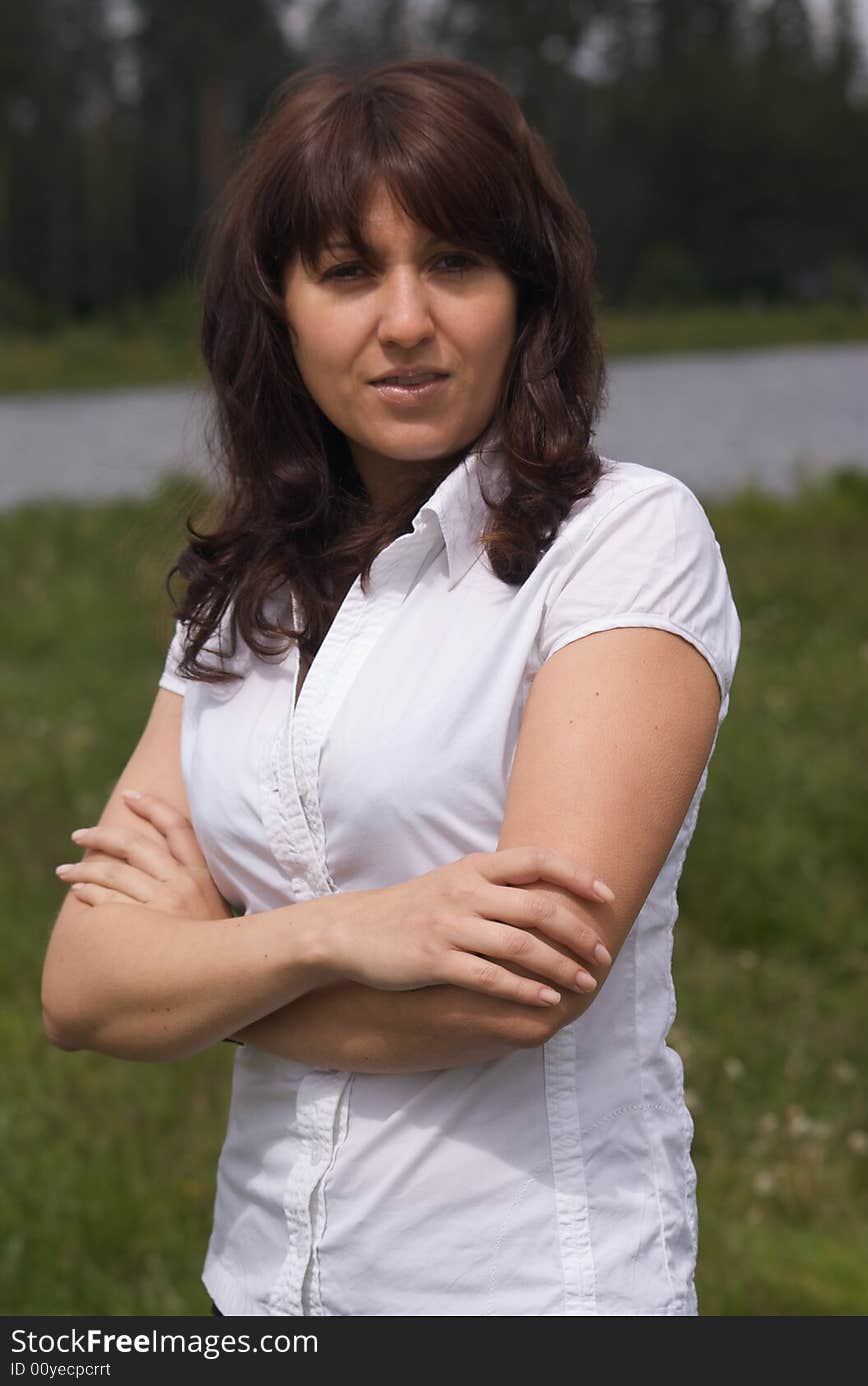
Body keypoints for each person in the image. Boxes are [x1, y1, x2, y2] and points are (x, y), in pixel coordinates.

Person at [41, 57, 741, 1317]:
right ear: (280, 308)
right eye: (348, 271)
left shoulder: (625, 540)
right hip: (259, 1295)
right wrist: (336, 934)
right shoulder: (236, 594)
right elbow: (81, 987)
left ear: (528, 298)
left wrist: (198, 972)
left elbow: (522, 986)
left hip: (531, 1294)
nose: (406, 319)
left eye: (457, 264)